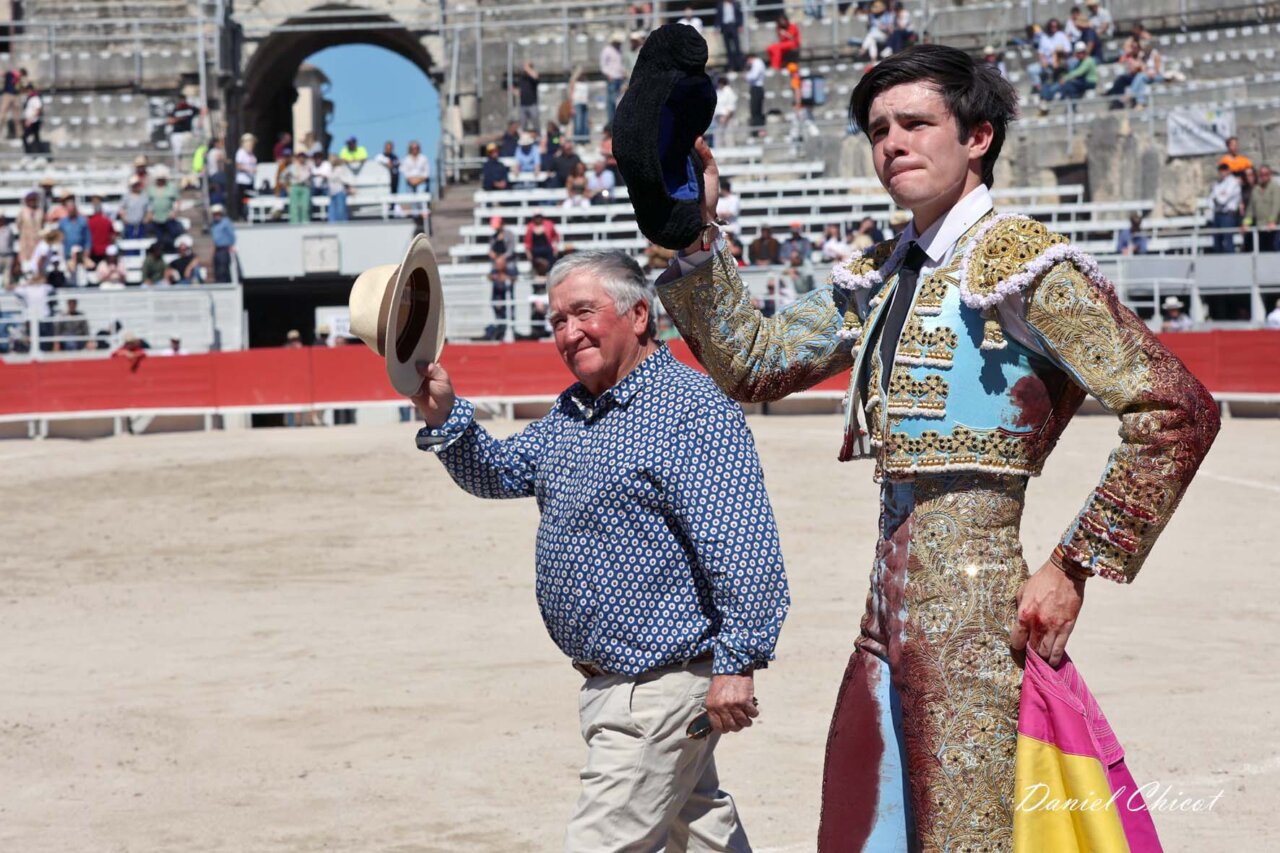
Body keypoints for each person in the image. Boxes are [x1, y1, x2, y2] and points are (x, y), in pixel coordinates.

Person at [654, 44, 1219, 849]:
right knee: (882, 824)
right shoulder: (887, 271)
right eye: (880, 128)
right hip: (887, 610)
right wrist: (694, 231)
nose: (894, 143)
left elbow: (1177, 407)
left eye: (917, 122)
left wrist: (1074, 562)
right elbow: (755, 362)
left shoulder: (1023, 263)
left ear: (978, 136)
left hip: (975, 605)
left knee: (967, 832)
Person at [411, 250, 789, 852]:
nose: (568, 332)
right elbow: (501, 472)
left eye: (583, 312)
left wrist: (737, 663)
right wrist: (447, 417)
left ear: (639, 316)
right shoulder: (573, 411)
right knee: (701, 836)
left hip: (660, 689)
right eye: (557, 320)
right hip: (613, 686)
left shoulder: (691, 410)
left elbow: (742, 548)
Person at [1243, 164, 1278, 252]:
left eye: (1266, 174)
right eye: (1261, 174)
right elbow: (1250, 209)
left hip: (1273, 228)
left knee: (1274, 252)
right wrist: (1246, 223)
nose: (1264, 176)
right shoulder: (1256, 189)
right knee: (1262, 253)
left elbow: (1276, 206)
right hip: (1260, 227)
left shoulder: (1275, 187)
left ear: (1270, 174)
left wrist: (1272, 221)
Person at [1209, 162, 1242, 254]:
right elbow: (1211, 201)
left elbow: (1223, 200)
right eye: (1220, 171)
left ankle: (1231, 263)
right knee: (1217, 242)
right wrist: (1219, 196)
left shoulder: (1233, 182)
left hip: (1228, 215)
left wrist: (1217, 197)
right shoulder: (1218, 184)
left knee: (1228, 241)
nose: (1222, 173)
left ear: (1228, 171)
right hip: (1217, 214)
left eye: (1224, 171)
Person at [600, 32, 627, 126]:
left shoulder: (619, 50)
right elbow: (603, 66)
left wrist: (624, 72)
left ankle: (618, 121)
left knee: (618, 101)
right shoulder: (607, 50)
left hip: (619, 78)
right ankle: (612, 123)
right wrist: (608, 75)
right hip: (612, 79)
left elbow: (619, 65)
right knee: (612, 101)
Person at [523, 209, 560, 274]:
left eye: (539, 216)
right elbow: (527, 241)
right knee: (536, 262)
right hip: (535, 250)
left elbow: (555, 237)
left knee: (551, 261)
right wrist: (528, 252)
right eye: (536, 216)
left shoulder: (549, 224)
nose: (538, 218)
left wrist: (555, 247)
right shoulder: (530, 226)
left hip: (547, 249)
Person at [210, 204, 237, 283]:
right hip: (217, 249)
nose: (216, 215)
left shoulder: (226, 222)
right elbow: (215, 238)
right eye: (214, 214)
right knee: (217, 268)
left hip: (224, 249)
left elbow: (232, 235)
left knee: (223, 269)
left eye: (218, 213)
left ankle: (224, 283)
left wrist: (231, 245)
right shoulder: (214, 224)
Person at [716, 0, 745, 72]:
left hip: (734, 26)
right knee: (728, 48)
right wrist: (717, 28)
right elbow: (718, 17)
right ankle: (731, 67)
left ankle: (740, 66)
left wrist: (740, 25)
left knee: (737, 47)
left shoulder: (735, 4)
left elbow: (740, 14)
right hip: (725, 27)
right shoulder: (720, 5)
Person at [234, 133, 258, 218]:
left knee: (251, 198)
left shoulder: (251, 154)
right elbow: (238, 165)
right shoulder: (241, 153)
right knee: (243, 199)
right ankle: (242, 215)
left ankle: (250, 214)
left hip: (251, 180)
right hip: (243, 180)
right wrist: (250, 169)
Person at [713, 77, 738, 150]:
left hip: (727, 117)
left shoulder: (728, 91)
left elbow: (731, 106)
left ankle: (731, 157)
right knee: (718, 138)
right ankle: (720, 158)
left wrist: (725, 117)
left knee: (728, 137)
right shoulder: (718, 91)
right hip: (718, 118)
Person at [288, 151, 313, 223]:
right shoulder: (292, 166)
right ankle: (294, 223)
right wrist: (287, 187)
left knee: (305, 207)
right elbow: (284, 176)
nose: (301, 159)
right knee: (294, 207)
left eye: (303, 157)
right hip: (295, 187)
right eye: (300, 157)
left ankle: (305, 223)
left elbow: (308, 176)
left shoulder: (308, 167)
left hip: (305, 187)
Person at [745, 52, 766, 136]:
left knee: (756, 110)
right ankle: (757, 130)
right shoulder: (758, 63)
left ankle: (758, 130)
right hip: (756, 88)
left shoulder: (757, 63)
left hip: (757, 88)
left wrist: (747, 76)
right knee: (755, 110)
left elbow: (754, 76)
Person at [516, 61, 540, 131]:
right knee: (523, 124)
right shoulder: (522, 78)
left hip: (532, 104)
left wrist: (528, 68)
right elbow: (521, 91)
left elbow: (535, 76)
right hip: (523, 105)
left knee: (535, 123)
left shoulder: (533, 76)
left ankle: (538, 136)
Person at [567, 68, 590, 144]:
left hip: (584, 103)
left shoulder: (585, 82)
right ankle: (577, 140)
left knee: (585, 123)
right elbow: (570, 95)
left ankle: (584, 140)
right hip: (577, 103)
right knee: (578, 123)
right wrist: (571, 107)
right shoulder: (573, 82)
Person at [21, 82, 42, 154]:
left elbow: (38, 110)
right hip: (29, 121)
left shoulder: (35, 98)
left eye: (28, 90)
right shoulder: (29, 98)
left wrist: (30, 120)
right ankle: (33, 155)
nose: (27, 92)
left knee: (27, 137)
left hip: (33, 122)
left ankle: (34, 154)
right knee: (33, 138)